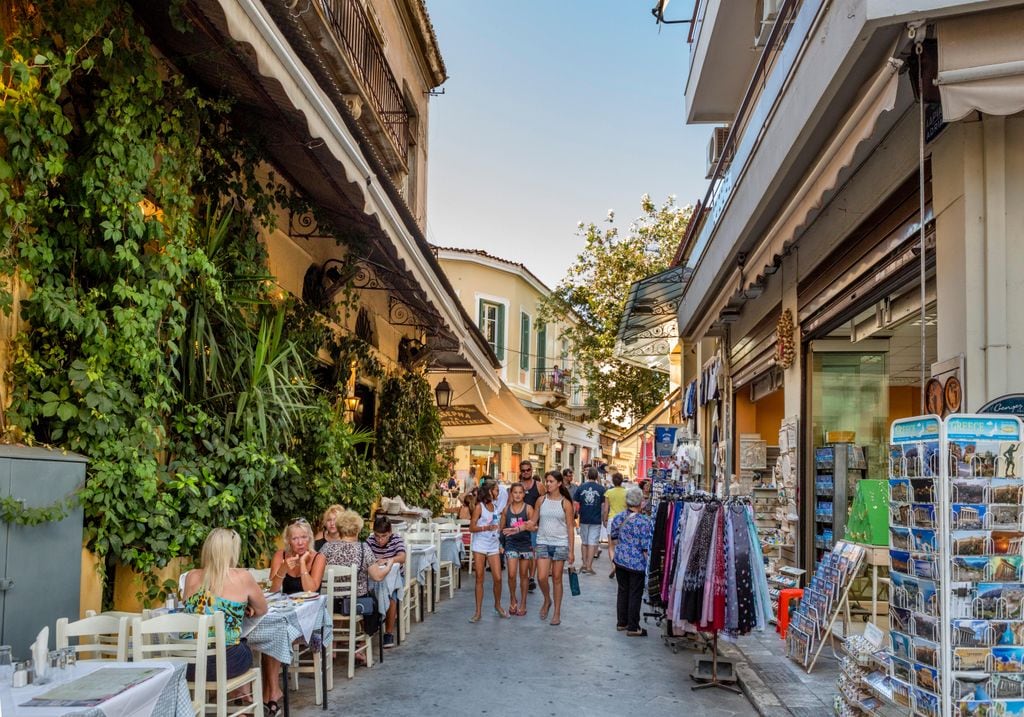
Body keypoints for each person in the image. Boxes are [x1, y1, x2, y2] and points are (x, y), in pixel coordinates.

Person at [182, 528, 267, 692]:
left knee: (234, 647)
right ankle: (242, 702)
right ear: (232, 551)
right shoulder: (243, 576)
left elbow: (197, 609)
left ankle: (241, 701)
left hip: (190, 664)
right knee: (244, 649)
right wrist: (244, 607)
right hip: (224, 663)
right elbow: (262, 609)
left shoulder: (191, 576)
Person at [265, 519, 327, 710]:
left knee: (273, 635)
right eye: (295, 538)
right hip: (284, 613)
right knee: (271, 633)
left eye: (303, 537)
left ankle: (268, 694)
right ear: (288, 541)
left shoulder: (318, 558)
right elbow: (274, 589)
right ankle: (273, 691)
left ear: (309, 538)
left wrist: (302, 565)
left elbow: (311, 589)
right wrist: (283, 567)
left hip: (308, 617)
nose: (300, 542)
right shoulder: (280, 555)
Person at [320, 510, 390, 647]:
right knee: (374, 601)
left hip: (331, 603)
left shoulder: (326, 548)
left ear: (339, 529)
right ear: (357, 530)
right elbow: (377, 576)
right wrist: (389, 565)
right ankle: (362, 646)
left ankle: (332, 648)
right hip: (356, 604)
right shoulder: (363, 549)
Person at [609, 487, 654, 636]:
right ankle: (633, 627)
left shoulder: (618, 517)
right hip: (637, 563)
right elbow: (645, 547)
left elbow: (614, 537)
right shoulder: (644, 522)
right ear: (641, 502)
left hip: (620, 559)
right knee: (635, 593)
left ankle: (622, 622)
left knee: (623, 590)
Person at [533, 470, 575, 626]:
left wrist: (571, 550)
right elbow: (533, 522)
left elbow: (570, 527)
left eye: (551, 481)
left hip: (560, 543)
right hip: (542, 541)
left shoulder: (566, 503)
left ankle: (557, 612)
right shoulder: (540, 500)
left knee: (557, 578)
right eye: (547, 481)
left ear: (559, 483)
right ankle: (547, 599)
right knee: (541, 577)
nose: (548, 484)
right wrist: (517, 528)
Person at [469, 479, 508, 621]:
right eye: (496, 490)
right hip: (480, 545)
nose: (498, 492)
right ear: (490, 491)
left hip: (493, 545)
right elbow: (471, 528)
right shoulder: (480, 507)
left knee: (498, 577)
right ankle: (478, 612)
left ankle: (497, 605)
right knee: (480, 578)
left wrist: (500, 542)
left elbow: (498, 526)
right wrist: (485, 528)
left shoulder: (496, 506)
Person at [365, 515, 406, 649]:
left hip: (395, 578)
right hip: (375, 579)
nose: (380, 540)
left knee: (392, 595)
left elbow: (402, 557)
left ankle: (388, 633)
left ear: (390, 533)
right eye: (377, 536)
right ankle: (369, 630)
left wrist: (389, 560)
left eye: (384, 536)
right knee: (365, 595)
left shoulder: (396, 539)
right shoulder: (370, 541)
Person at [500, 482, 536, 616]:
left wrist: (524, 526)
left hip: (525, 545)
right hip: (511, 544)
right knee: (511, 574)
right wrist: (500, 545)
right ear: (511, 494)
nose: (518, 495)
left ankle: (523, 603)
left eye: (520, 492)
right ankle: (512, 598)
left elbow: (534, 527)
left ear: (524, 494)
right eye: (515, 492)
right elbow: (501, 529)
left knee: (524, 575)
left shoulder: (528, 509)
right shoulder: (506, 509)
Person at [573, 467, 607, 575]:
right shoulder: (602, 489)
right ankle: (589, 566)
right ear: (597, 476)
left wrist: (575, 515)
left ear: (587, 476)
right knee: (592, 543)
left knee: (584, 542)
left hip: (584, 518)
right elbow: (603, 505)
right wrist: (603, 518)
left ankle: (583, 564)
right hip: (596, 519)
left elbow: (575, 503)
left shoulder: (581, 487)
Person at [518, 461, 541, 592]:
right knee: (523, 553)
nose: (526, 472)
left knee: (533, 553)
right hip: (519, 525)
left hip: (534, 525)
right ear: (520, 471)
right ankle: (525, 577)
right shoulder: (517, 487)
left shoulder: (539, 486)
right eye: (523, 470)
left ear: (532, 470)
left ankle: (531, 578)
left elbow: (544, 502)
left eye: (528, 470)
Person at [604, 473, 627, 578]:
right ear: (622, 480)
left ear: (613, 481)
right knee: (621, 543)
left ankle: (613, 565)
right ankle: (621, 564)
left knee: (611, 545)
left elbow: (606, 509)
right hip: (624, 519)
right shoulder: (626, 492)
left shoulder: (609, 492)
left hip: (612, 519)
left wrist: (604, 519)